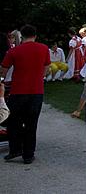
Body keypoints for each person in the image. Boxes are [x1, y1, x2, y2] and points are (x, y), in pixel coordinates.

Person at [1, 24, 50, 164]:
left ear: (21, 36)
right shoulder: (43, 49)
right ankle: (28, 154)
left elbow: (4, 69)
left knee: (13, 122)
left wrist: (4, 81)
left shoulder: (15, 51)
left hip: (18, 91)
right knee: (31, 123)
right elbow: (46, 69)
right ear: (35, 35)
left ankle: (15, 149)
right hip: (36, 91)